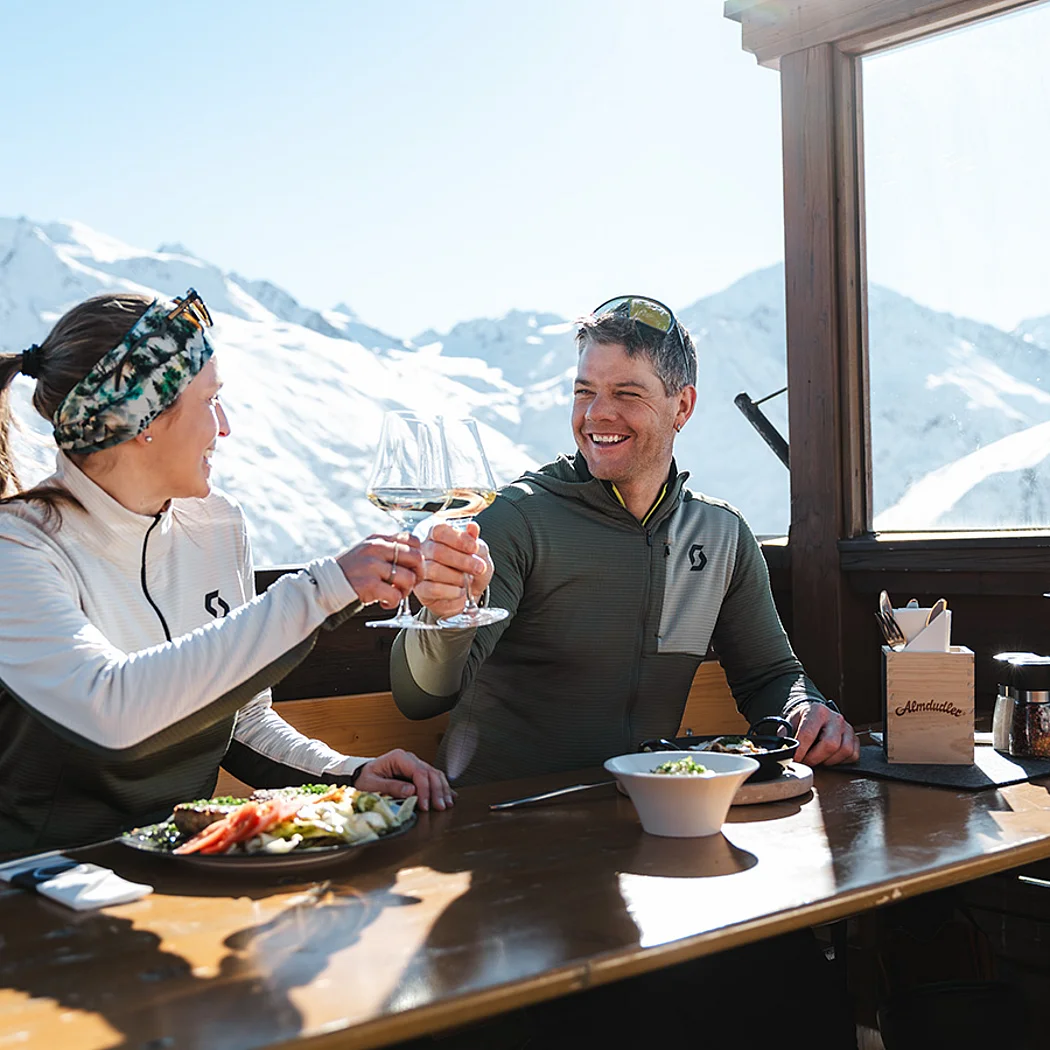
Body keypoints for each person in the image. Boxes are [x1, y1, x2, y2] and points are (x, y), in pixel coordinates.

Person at [0, 289, 453, 855]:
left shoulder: (216, 525)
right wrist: (321, 591)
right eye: (210, 400)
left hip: (177, 866)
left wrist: (349, 774)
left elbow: (242, 721)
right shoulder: (17, 547)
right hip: (36, 883)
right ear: (142, 417)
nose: (225, 426)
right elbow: (109, 712)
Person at [391, 294, 860, 784]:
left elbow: (769, 676)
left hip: (651, 808)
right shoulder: (516, 519)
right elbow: (419, 698)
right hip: (500, 815)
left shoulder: (721, 535)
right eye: (584, 391)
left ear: (682, 406)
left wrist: (805, 709)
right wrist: (442, 617)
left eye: (627, 393)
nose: (597, 414)